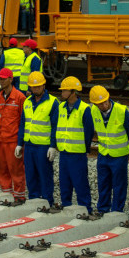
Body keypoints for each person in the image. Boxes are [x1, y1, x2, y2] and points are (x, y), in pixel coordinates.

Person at [89, 85, 129, 216]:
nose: (104, 105)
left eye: (105, 102)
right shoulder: (94, 111)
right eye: (100, 104)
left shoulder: (122, 111)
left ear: (108, 98)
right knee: (103, 183)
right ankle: (103, 209)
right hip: (103, 154)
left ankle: (117, 211)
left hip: (119, 155)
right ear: (95, 104)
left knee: (119, 185)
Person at [16, 70, 58, 205]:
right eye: (33, 87)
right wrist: (19, 143)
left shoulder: (52, 102)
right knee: (31, 175)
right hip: (29, 146)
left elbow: (55, 126)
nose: (35, 89)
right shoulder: (27, 102)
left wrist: (53, 146)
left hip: (43, 146)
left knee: (45, 175)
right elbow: (23, 123)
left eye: (38, 86)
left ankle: (47, 202)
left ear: (44, 86)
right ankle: (34, 201)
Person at [54, 77, 93, 214]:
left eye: (65, 90)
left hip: (77, 154)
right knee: (65, 184)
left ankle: (86, 210)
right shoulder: (60, 108)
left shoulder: (84, 109)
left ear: (73, 92)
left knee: (81, 184)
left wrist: (84, 149)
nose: (62, 93)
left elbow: (88, 132)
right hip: (64, 153)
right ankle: (67, 209)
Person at [0, 68, 27, 203]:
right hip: (2, 140)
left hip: (13, 140)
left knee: (16, 170)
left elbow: (23, 121)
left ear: (11, 79)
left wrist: (20, 143)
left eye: (3, 78)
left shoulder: (19, 97)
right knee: (2, 170)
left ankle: (19, 197)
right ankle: (7, 196)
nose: (1, 81)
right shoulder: (1, 96)